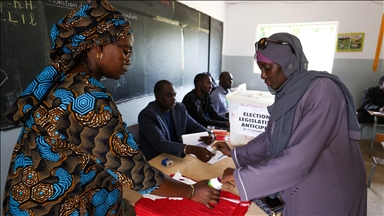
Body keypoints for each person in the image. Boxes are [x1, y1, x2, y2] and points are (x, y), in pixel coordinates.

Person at [2, 1, 220, 215]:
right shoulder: (86, 97)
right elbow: (136, 173)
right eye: (124, 50)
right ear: (98, 47)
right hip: (56, 207)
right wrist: (192, 191)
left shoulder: (69, 84)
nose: (128, 60)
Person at [213, 33, 367, 215]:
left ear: (289, 63)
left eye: (267, 68)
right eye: (260, 68)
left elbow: (301, 156)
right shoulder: (288, 93)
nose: (263, 75)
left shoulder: (323, 91)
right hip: (302, 184)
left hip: (330, 188)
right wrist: (234, 152)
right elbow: (270, 138)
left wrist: (242, 178)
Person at [138, 80, 216, 161]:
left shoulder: (179, 108)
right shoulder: (147, 115)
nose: (173, 99)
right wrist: (191, 149)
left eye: (174, 95)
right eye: (169, 96)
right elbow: (160, 143)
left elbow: (194, 126)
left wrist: (210, 134)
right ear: (158, 96)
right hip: (158, 158)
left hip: (176, 155)